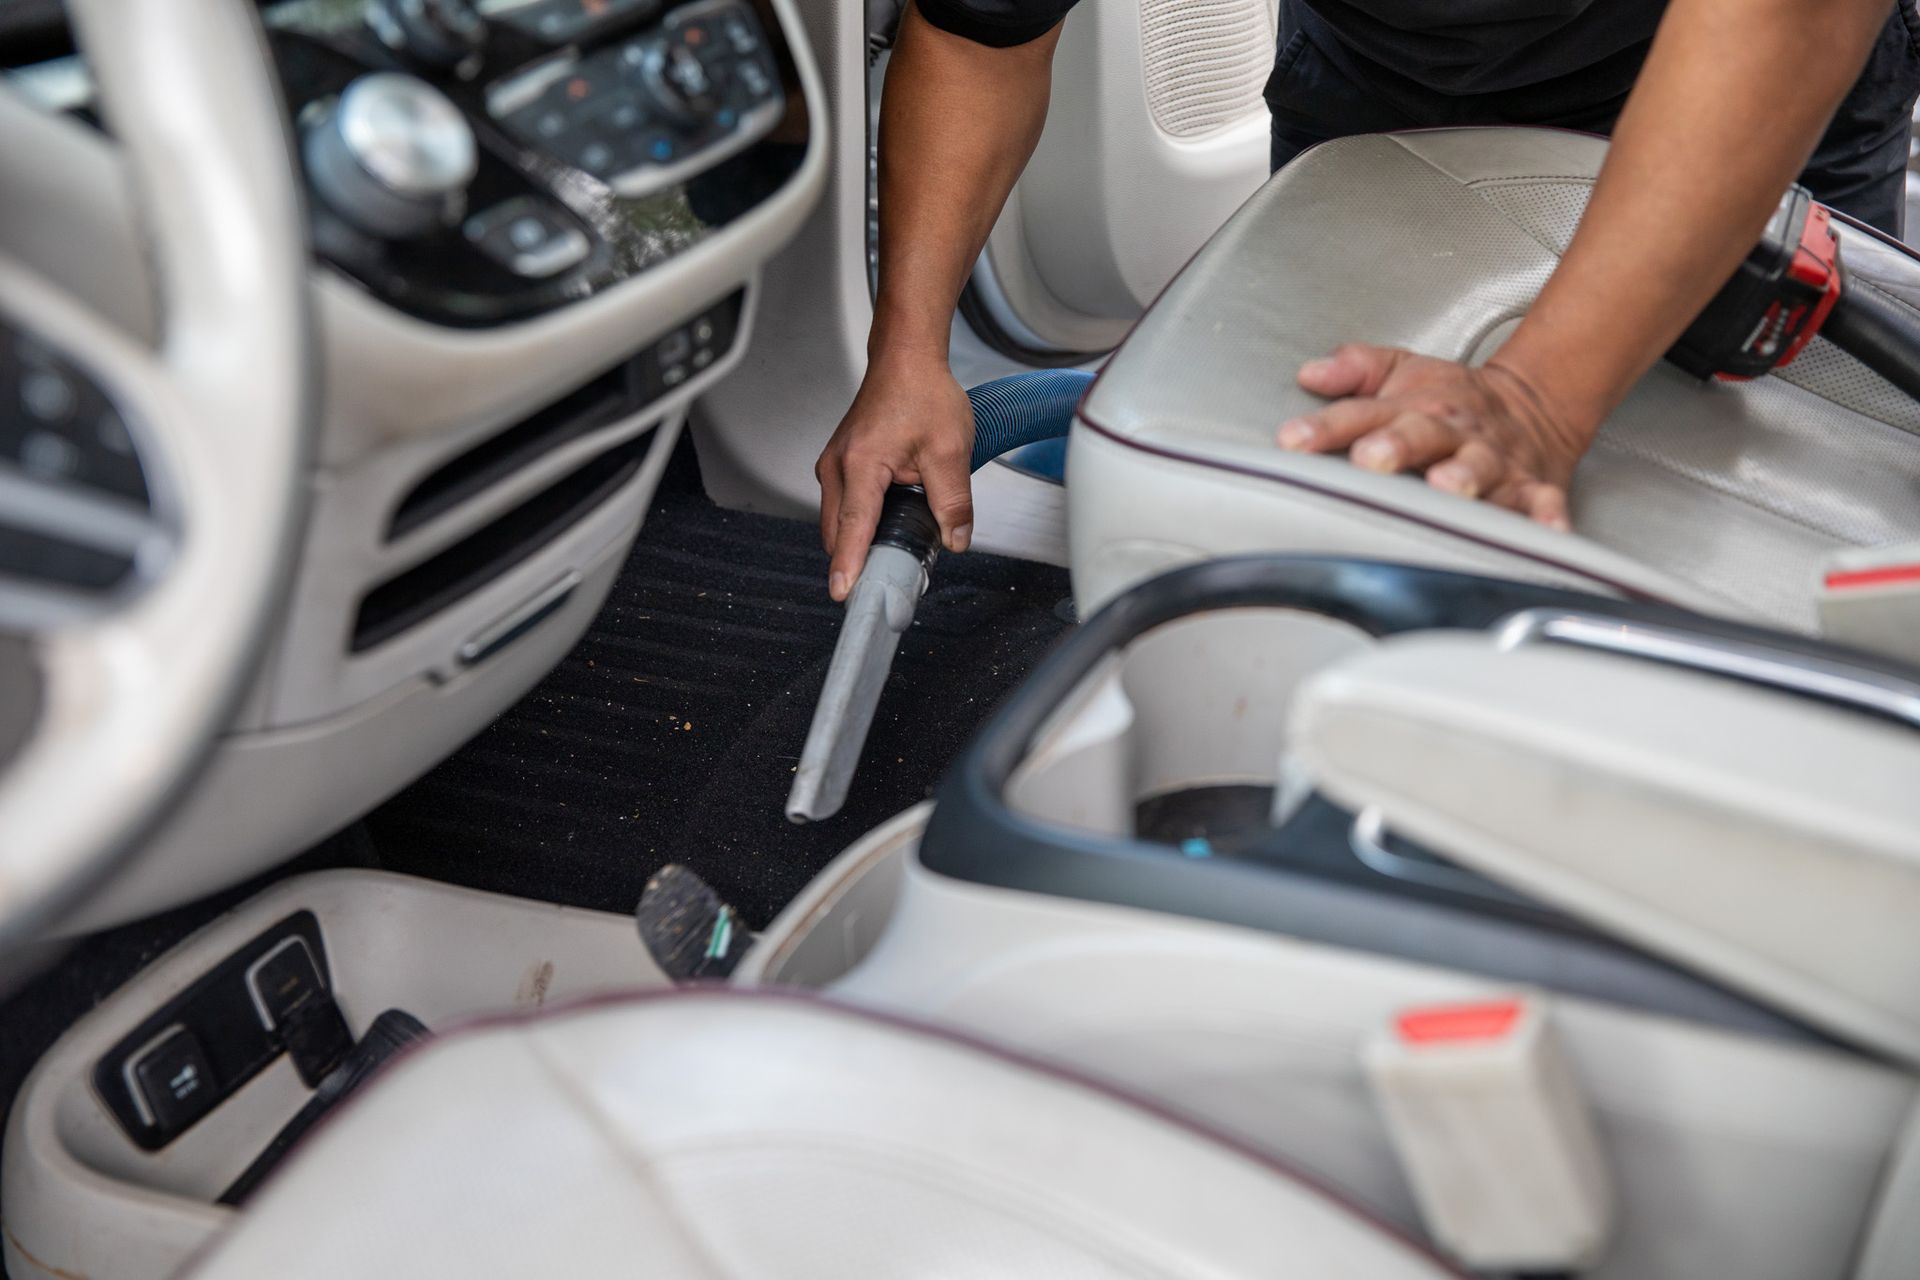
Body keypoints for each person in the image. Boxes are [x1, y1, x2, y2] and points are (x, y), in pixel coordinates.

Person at [813, 0, 1920, 600]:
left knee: (1724, 527)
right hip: (1386, 75)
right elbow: (981, 37)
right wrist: (909, 353)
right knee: (1365, 497)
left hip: (1728, 76)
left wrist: (1536, 399)